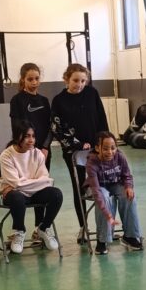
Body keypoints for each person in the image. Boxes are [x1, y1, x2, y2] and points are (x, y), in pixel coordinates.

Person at [51, 63, 108, 241]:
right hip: (74, 152)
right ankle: (83, 226)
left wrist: (104, 143)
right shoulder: (59, 100)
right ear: (66, 80)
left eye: (83, 81)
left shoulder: (92, 93)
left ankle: (105, 226)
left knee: (102, 185)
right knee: (79, 188)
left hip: (96, 149)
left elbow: (101, 119)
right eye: (76, 80)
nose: (80, 84)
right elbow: (57, 129)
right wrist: (79, 145)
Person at [0, 121, 62, 254]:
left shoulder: (37, 154)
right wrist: (37, 182)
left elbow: (46, 180)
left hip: (31, 193)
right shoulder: (6, 155)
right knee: (17, 197)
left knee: (56, 194)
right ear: (17, 136)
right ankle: (19, 231)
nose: (31, 140)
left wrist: (24, 184)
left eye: (33, 136)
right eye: (27, 136)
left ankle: (43, 228)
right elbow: (16, 183)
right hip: (14, 196)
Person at [85, 131, 143, 255]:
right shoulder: (92, 162)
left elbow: (127, 175)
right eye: (105, 148)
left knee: (128, 196)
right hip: (97, 187)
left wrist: (129, 187)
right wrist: (109, 216)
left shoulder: (120, 156)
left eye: (113, 148)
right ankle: (102, 240)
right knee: (104, 197)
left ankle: (130, 236)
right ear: (97, 148)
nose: (110, 152)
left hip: (115, 184)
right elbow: (96, 191)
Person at [9, 63, 52, 168]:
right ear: (23, 79)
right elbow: (16, 126)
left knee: (43, 176)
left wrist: (45, 147)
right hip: (25, 148)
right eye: (30, 79)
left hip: (43, 148)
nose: (34, 82)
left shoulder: (44, 100)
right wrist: (25, 146)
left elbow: (50, 126)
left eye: (37, 78)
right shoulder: (17, 100)